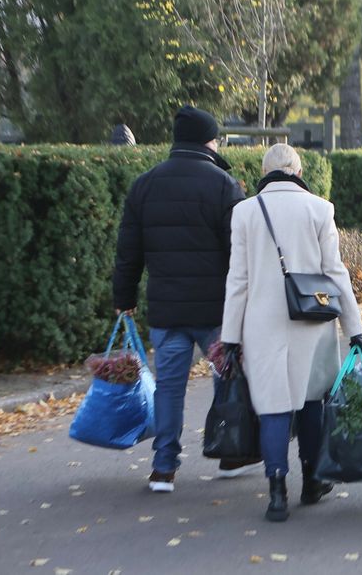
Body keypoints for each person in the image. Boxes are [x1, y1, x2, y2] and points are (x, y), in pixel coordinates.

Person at [220, 144, 362, 522]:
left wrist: (230, 337)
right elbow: (336, 273)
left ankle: (276, 491)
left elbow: (238, 280)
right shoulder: (320, 209)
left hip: (260, 325)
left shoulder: (245, 212)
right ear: (298, 172)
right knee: (312, 400)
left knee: (273, 407)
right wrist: (355, 328)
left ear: (264, 172)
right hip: (312, 322)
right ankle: (313, 481)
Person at [113, 105, 248, 493]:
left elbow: (129, 251)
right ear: (210, 140)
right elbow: (239, 250)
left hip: (167, 311)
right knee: (228, 375)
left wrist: (123, 297)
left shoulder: (145, 184)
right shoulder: (224, 185)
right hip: (215, 312)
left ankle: (163, 468)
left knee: (169, 388)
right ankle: (229, 451)